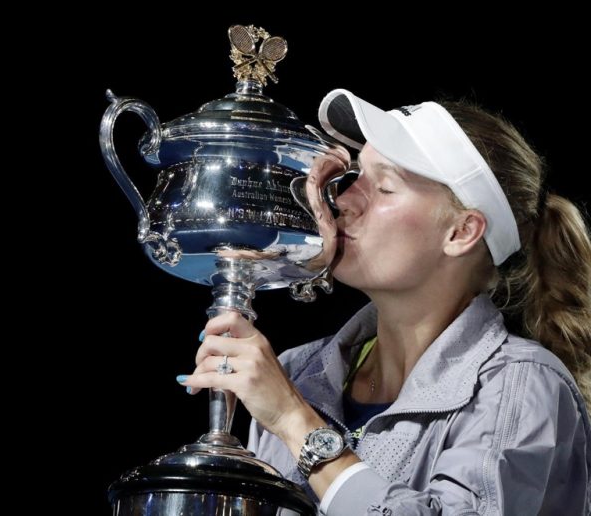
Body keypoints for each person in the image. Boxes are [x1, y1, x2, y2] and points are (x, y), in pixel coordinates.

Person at [177, 89, 591, 514]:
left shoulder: (520, 386)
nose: (343, 200)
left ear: (461, 232)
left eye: (385, 187)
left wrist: (294, 421)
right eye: (357, 176)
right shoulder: (296, 372)